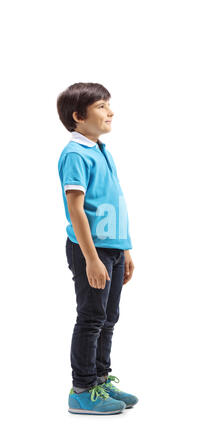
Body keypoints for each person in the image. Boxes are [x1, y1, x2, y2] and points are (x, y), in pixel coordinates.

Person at [57, 82, 138, 415]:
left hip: (113, 249)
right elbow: (76, 208)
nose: (110, 112)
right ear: (78, 116)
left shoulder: (101, 150)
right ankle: (83, 388)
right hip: (91, 250)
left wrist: (126, 250)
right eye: (102, 106)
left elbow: (115, 202)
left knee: (109, 318)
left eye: (109, 105)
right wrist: (91, 258)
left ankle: (100, 379)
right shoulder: (75, 153)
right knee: (91, 318)